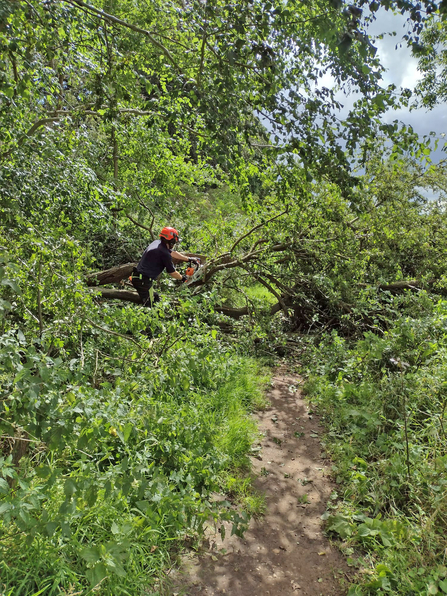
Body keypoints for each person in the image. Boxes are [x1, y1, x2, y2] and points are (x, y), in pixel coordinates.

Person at [131, 227, 199, 307]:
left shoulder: (157, 243)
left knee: (155, 297)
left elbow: (172, 253)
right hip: (142, 281)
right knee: (152, 305)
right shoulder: (163, 253)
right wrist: (183, 278)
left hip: (140, 278)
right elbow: (172, 273)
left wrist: (189, 259)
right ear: (171, 240)